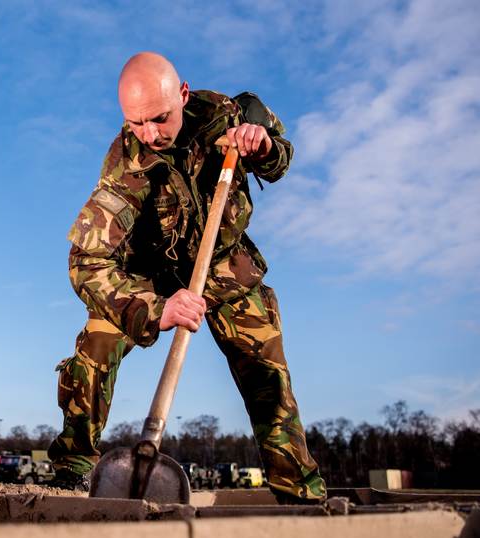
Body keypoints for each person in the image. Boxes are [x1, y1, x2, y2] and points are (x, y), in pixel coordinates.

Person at [46, 52, 326, 504]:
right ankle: (73, 468)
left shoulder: (227, 117)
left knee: (268, 380)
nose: (150, 135)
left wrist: (265, 147)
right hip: (149, 279)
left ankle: (301, 496)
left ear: (183, 94)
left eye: (160, 118)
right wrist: (156, 309)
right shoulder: (123, 170)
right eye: (136, 123)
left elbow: (280, 159)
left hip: (225, 268)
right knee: (94, 350)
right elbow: (86, 262)